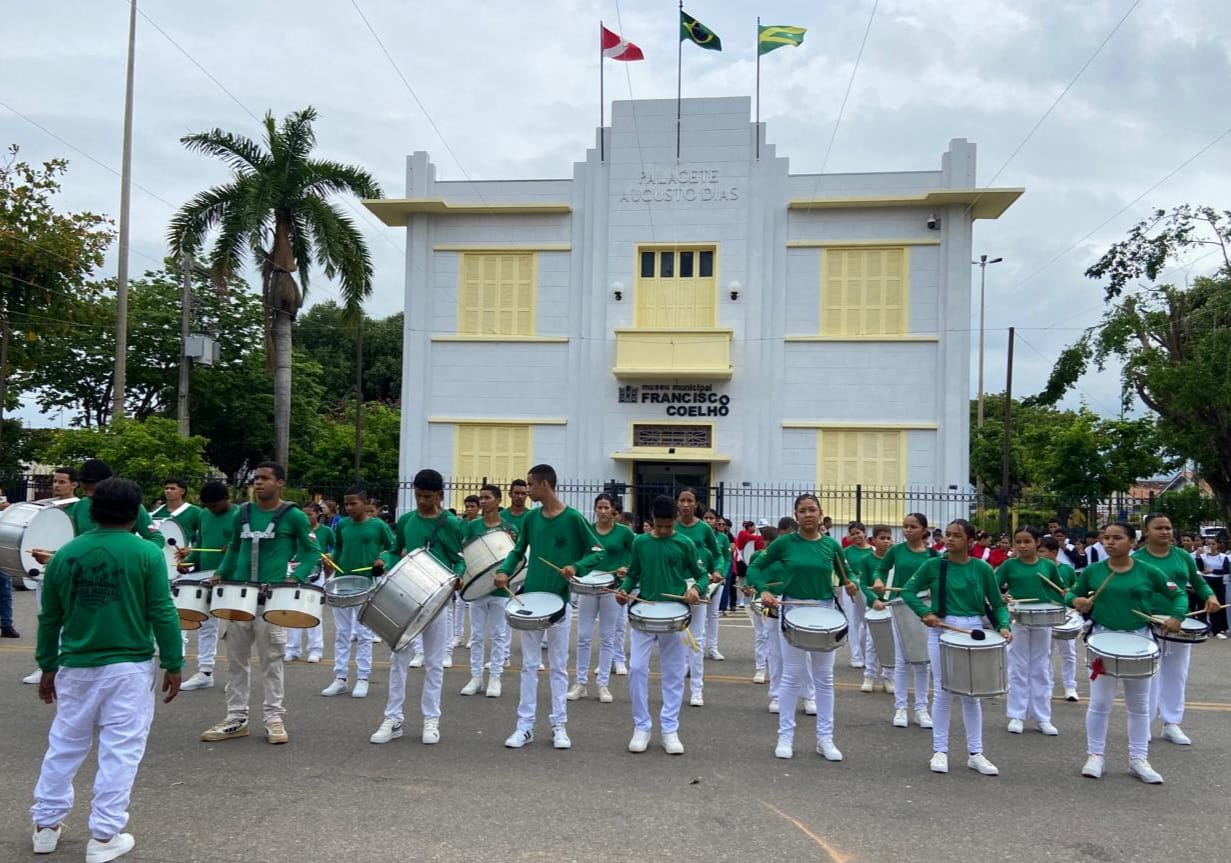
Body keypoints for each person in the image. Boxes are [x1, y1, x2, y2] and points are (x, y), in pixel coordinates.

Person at [29, 477, 182, 862]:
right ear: (135, 512)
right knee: (121, 750)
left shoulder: (66, 554)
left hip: (75, 664)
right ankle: (104, 835)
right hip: (128, 667)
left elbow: (50, 618)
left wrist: (47, 665)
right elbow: (162, 611)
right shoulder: (147, 553)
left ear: (92, 510)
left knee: (64, 745)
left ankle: (45, 826)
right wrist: (174, 661)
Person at [199, 462, 320, 746]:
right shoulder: (241, 513)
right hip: (238, 596)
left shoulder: (293, 516)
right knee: (235, 662)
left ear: (280, 483)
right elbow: (235, 549)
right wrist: (220, 574)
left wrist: (296, 577)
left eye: (265, 478)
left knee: (272, 661)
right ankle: (236, 718)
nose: (258, 483)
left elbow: (311, 552)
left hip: (272, 598)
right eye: (256, 478)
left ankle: (274, 718)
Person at [1066, 522, 1185, 783]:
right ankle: (1095, 755)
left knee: (1139, 706)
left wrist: (1177, 616)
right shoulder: (1094, 571)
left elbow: (1179, 596)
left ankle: (1138, 759)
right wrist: (1077, 601)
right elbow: (1071, 593)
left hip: (1139, 640)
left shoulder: (1148, 571)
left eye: (1117, 538)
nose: (1110, 542)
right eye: (1106, 538)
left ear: (1132, 542)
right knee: (1100, 703)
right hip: (1102, 640)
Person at [495, 464, 603, 750]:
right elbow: (518, 551)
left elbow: (596, 553)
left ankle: (559, 726)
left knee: (557, 667)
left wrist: (575, 567)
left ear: (545, 485)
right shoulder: (531, 519)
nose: (527, 490)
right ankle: (524, 726)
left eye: (530, 485)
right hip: (530, 600)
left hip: (559, 603)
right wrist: (505, 570)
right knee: (529, 666)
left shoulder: (573, 519)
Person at [748, 493, 858, 761]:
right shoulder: (784, 544)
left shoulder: (831, 545)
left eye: (812, 510)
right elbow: (755, 568)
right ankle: (785, 737)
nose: (808, 514)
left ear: (820, 513)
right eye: (803, 510)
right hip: (794, 610)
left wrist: (851, 583)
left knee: (825, 678)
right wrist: (762, 590)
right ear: (796, 515)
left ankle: (825, 739)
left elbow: (848, 572)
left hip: (824, 612)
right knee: (791, 675)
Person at [902, 519, 1011, 777]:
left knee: (971, 694)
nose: (949, 539)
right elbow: (908, 591)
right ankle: (940, 750)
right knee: (943, 689)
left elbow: (997, 603)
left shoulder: (982, 568)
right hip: (942, 629)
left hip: (973, 631)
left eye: (956, 535)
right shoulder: (934, 565)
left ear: (970, 540)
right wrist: (924, 612)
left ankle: (976, 753)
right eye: (948, 535)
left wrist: (1004, 625)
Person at [370, 470, 466, 745]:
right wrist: (383, 561)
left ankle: (431, 719)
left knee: (434, 663)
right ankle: (393, 718)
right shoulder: (406, 521)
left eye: (427, 496)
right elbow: (394, 549)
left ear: (439, 495)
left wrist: (458, 577)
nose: (422, 501)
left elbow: (459, 559)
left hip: (437, 600)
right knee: (398, 660)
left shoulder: (451, 524)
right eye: (418, 495)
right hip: (407, 596)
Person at [615, 495, 706, 754]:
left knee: (674, 673)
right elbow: (633, 573)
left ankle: (669, 728)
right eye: (660, 525)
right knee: (636, 669)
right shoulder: (641, 543)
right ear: (651, 521)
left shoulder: (685, 543)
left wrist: (697, 589)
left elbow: (701, 574)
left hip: (676, 618)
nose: (664, 530)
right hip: (644, 613)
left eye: (669, 526)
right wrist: (624, 590)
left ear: (675, 519)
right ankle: (641, 726)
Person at [1135, 513, 1219, 746]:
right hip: (1149, 621)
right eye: (1159, 528)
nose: (1165, 532)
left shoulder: (1182, 556)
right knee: (1149, 676)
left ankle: (1171, 723)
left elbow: (1199, 582)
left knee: (1177, 673)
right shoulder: (1137, 559)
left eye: (1168, 527)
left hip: (1180, 622)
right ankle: (1144, 724)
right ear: (1146, 532)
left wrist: (1210, 596)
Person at [322, 488, 394, 701]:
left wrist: (382, 560)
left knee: (363, 635)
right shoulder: (343, 524)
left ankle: (363, 678)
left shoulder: (378, 525)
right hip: (342, 583)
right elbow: (339, 549)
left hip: (366, 584)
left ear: (364, 503)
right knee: (342, 633)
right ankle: (340, 678)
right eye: (346, 504)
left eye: (353, 503)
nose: (349, 508)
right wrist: (330, 559)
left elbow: (392, 548)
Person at [998, 526, 1065, 736]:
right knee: (1018, 667)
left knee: (1041, 667)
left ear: (1037, 543)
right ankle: (1016, 715)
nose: (1022, 546)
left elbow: (1059, 591)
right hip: (1018, 619)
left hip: (1042, 620)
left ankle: (1042, 717)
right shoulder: (1009, 565)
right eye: (1018, 541)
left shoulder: (1048, 565)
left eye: (1027, 541)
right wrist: (1002, 597)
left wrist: (1068, 595)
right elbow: (993, 588)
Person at [570, 493, 633, 703]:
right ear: (595, 509)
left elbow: (636, 554)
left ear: (614, 510)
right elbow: (579, 554)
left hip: (611, 588)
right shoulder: (587, 530)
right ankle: (580, 683)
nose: (603, 511)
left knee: (608, 637)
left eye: (607, 507)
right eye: (600, 507)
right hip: (588, 587)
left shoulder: (624, 532)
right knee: (583, 636)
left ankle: (603, 684)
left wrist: (628, 568)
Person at [877, 513, 937, 729]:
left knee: (923, 660)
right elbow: (881, 570)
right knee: (902, 659)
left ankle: (921, 708)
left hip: (923, 608)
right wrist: (878, 581)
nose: (908, 530)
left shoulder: (932, 555)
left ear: (924, 530)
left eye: (913, 526)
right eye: (905, 526)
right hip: (901, 606)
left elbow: (938, 579)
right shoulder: (896, 551)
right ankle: (900, 707)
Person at [177, 482, 238, 690]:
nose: (211, 509)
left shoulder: (240, 515)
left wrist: (232, 550)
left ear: (226, 498)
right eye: (208, 506)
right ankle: (205, 672)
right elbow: (201, 544)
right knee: (206, 625)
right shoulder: (204, 515)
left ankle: (237, 675)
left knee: (237, 629)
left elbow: (245, 548)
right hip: (206, 576)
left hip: (233, 577)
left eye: (215, 505)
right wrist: (189, 562)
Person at [20, 468, 80, 680]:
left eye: (62, 482)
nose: (56, 485)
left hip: (70, 569)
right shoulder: (46, 507)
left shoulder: (80, 508)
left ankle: (64, 664)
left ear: (74, 484)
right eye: (55, 481)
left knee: (69, 620)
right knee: (48, 617)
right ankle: (48, 665)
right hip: (45, 569)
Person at [460, 484, 514, 698]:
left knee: (499, 634)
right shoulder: (472, 526)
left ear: (498, 501)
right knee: (476, 634)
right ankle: (476, 677)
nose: (483, 501)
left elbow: (515, 559)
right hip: (477, 589)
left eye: (487, 497)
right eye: (481, 497)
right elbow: (465, 553)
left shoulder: (509, 527)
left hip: (500, 590)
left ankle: (495, 677)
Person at [672, 488, 723, 707]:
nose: (685, 504)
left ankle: (697, 688)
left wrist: (718, 570)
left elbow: (718, 555)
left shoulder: (704, 529)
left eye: (689, 500)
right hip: (674, 588)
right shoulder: (670, 526)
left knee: (697, 638)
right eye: (682, 500)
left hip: (699, 586)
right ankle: (676, 685)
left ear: (696, 504)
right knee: (677, 637)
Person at [284, 502, 332, 663]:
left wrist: (329, 557)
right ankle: (292, 648)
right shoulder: (294, 532)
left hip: (316, 575)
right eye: (303, 514)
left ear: (318, 514)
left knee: (313, 612)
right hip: (295, 574)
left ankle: (315, 649)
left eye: (310, 514)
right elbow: (289, 551)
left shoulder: (325, 531)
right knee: (292, 612)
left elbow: (337, 546)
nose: (306, 517)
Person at [1039, 536, 1080, 701]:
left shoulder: (1067, 569)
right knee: (1045, 653)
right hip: (1043, 615)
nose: (1039, 555)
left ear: (1054, 552)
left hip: (1064, 614)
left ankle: (1070, 686)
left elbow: (1076, 588)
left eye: (1042, 551)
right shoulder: (1037, 569)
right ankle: (1047, 686)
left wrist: (1069, 592)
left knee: (1068, 652)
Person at [854, 525, 894, 693]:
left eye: (888, 538)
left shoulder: (894, 560)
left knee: (891, 644)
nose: (886, 541)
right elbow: (863, 584)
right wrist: (873, 599)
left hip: (892, 605)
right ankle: (869, 676)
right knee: (872, 643)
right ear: (874, 540)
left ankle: (888, 677)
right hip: (874, 606)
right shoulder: (867, 560)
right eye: (882, 538)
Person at [841, 521, 873, 672]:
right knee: (853, 622)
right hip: (851, 589)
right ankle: (856, 657)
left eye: (858, 533)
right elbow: (844, 570)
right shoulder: (846, 552)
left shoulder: (873, 551)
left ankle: (867, 654)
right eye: (852, 534)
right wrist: (853, 582)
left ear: (864, 533)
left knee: (868, 621)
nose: (856, 536)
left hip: (868, 588)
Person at [700, 508, 730, 659]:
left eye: (711, 518)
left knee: (713, 614)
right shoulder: (699, 535)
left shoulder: (723, 538)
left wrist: (722, 573)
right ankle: (698, 647)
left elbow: (726, 558)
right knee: (700, 614)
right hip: (700, 579)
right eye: (706, 517)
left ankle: (713, 648)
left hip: (716, 581)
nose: (708, 521)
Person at [149, 477, 202, 552]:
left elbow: (206, 534)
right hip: (158, 555)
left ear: (182, 491)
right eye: (166, 488)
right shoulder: (155, 513)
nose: (168, 491)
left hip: (181, 557)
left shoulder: (195, 511)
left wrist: (191, 549)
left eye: (173, 488)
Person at [1195, 537, 1229, 638]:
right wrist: (1198, 556)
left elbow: (1226, 570)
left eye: (1213, 544)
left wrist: (1212, 571)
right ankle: (1203, 629)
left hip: (1218, 582)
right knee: (1203, 604)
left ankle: (1217, 629)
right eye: (1208, 544)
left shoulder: (1223, 557)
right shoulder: (1203, 556)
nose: (1210, 546)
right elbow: (1200, 568)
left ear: (1217, 545)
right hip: (1206, 581)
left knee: (1217, 605)